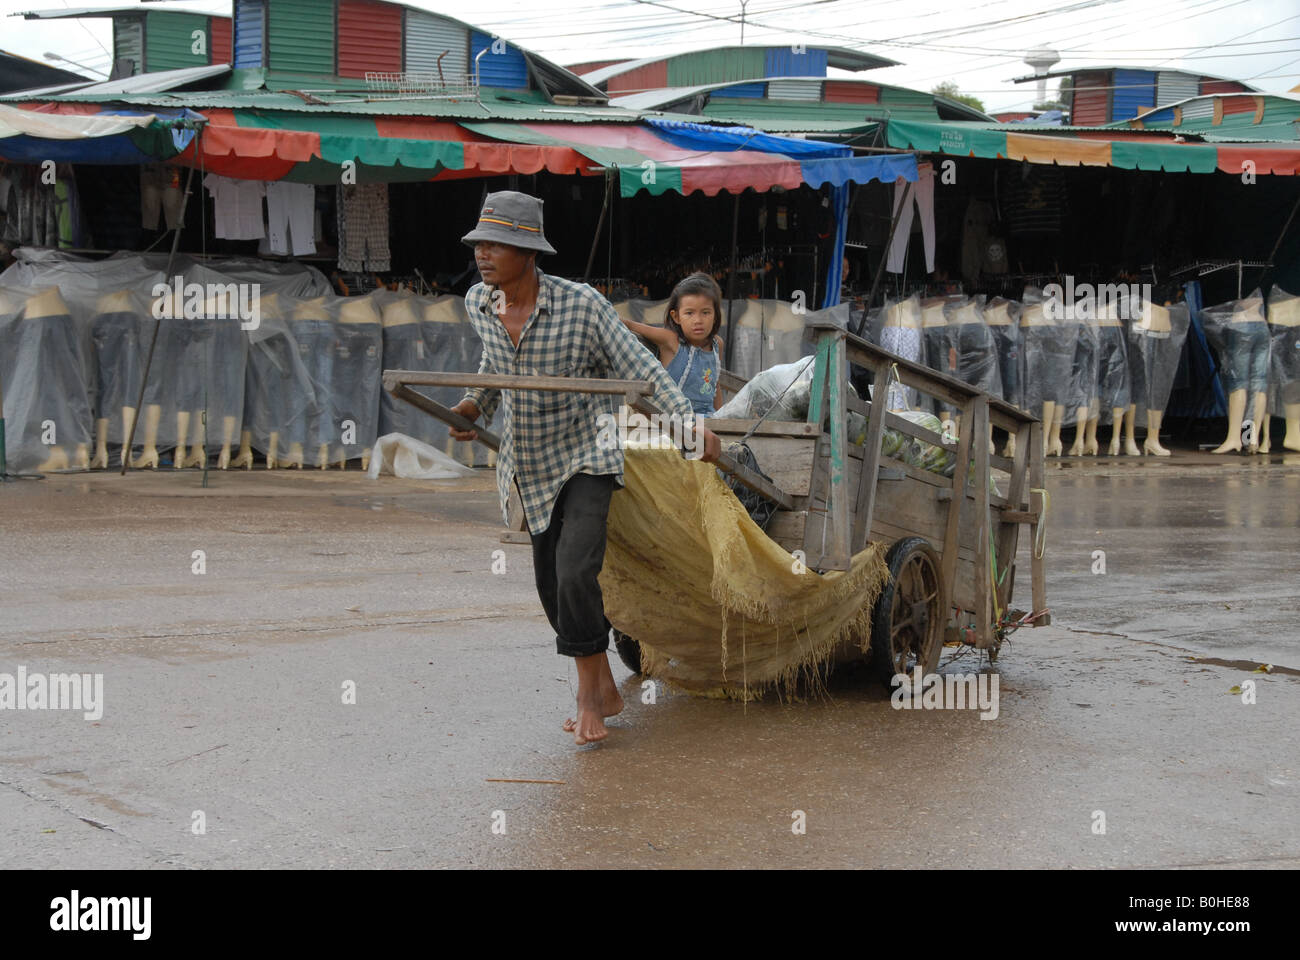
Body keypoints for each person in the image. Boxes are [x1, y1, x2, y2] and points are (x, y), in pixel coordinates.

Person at [447, 191, 721, 746]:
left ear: (529, 252)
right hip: (528, 459)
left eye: (497, 244)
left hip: (588, 452)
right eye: (480, 243)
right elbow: (492, 368)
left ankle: (586, 695)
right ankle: (605, 683)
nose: (483, 254)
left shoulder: (582, 306)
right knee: (552, 587)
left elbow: (641, 367)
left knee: (576, 570)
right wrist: (473, 406)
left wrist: (686, 423)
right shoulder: (481, 302)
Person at [620, 272, 725, 417]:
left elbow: (715, 385)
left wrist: (720, 419)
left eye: (705, 313)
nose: (698, 320)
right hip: (673, 419)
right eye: (689, 313)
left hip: (707, 418)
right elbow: (630, 325)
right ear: (676, 317)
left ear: (715, 316)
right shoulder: (670, 340)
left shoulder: (717, 344)